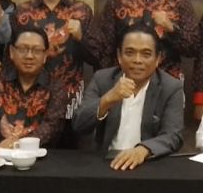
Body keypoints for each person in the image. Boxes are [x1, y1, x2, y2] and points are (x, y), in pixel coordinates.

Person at [12, 0, 96, 147]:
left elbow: (97, 58)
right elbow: (12, 58)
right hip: (31, 100)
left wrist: (81, 37)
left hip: (71, 101)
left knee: (69, 157)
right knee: (30, 151)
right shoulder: (22, 12)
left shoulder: (81, 11)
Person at [74, 24, 184, 171]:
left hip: (148, 165)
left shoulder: (171, 87)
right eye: (130, 53)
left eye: (146, 54)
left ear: (158, 58)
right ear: (119, 56)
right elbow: (79, 124)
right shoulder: (102, 79)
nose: (137, 60)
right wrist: (107, 100)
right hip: (106, 164)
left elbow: (173, 135)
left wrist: (143, 150)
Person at [0, 25, 68, 150]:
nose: (29, 56)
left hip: (39, 157)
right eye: (23, 49)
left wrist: (16, 145)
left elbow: (51, 128)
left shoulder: (56, 86)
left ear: (45, 55)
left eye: (36, 50)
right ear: (12, 52)